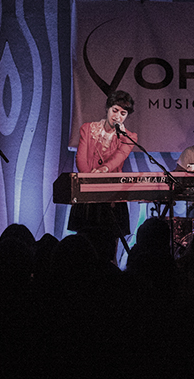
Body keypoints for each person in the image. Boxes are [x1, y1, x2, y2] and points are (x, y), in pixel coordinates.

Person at [68, 90, 137, 263]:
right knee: (85, 241)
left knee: (110, 241)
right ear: (107, 108)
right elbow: (81, 159)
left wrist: (104, 170)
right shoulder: (87, 129)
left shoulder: (129, 137)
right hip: (88, 191)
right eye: (115, 110)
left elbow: (119, 157)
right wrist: (89, 180)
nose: (118, 116)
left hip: (112, 194)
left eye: (123, 113)